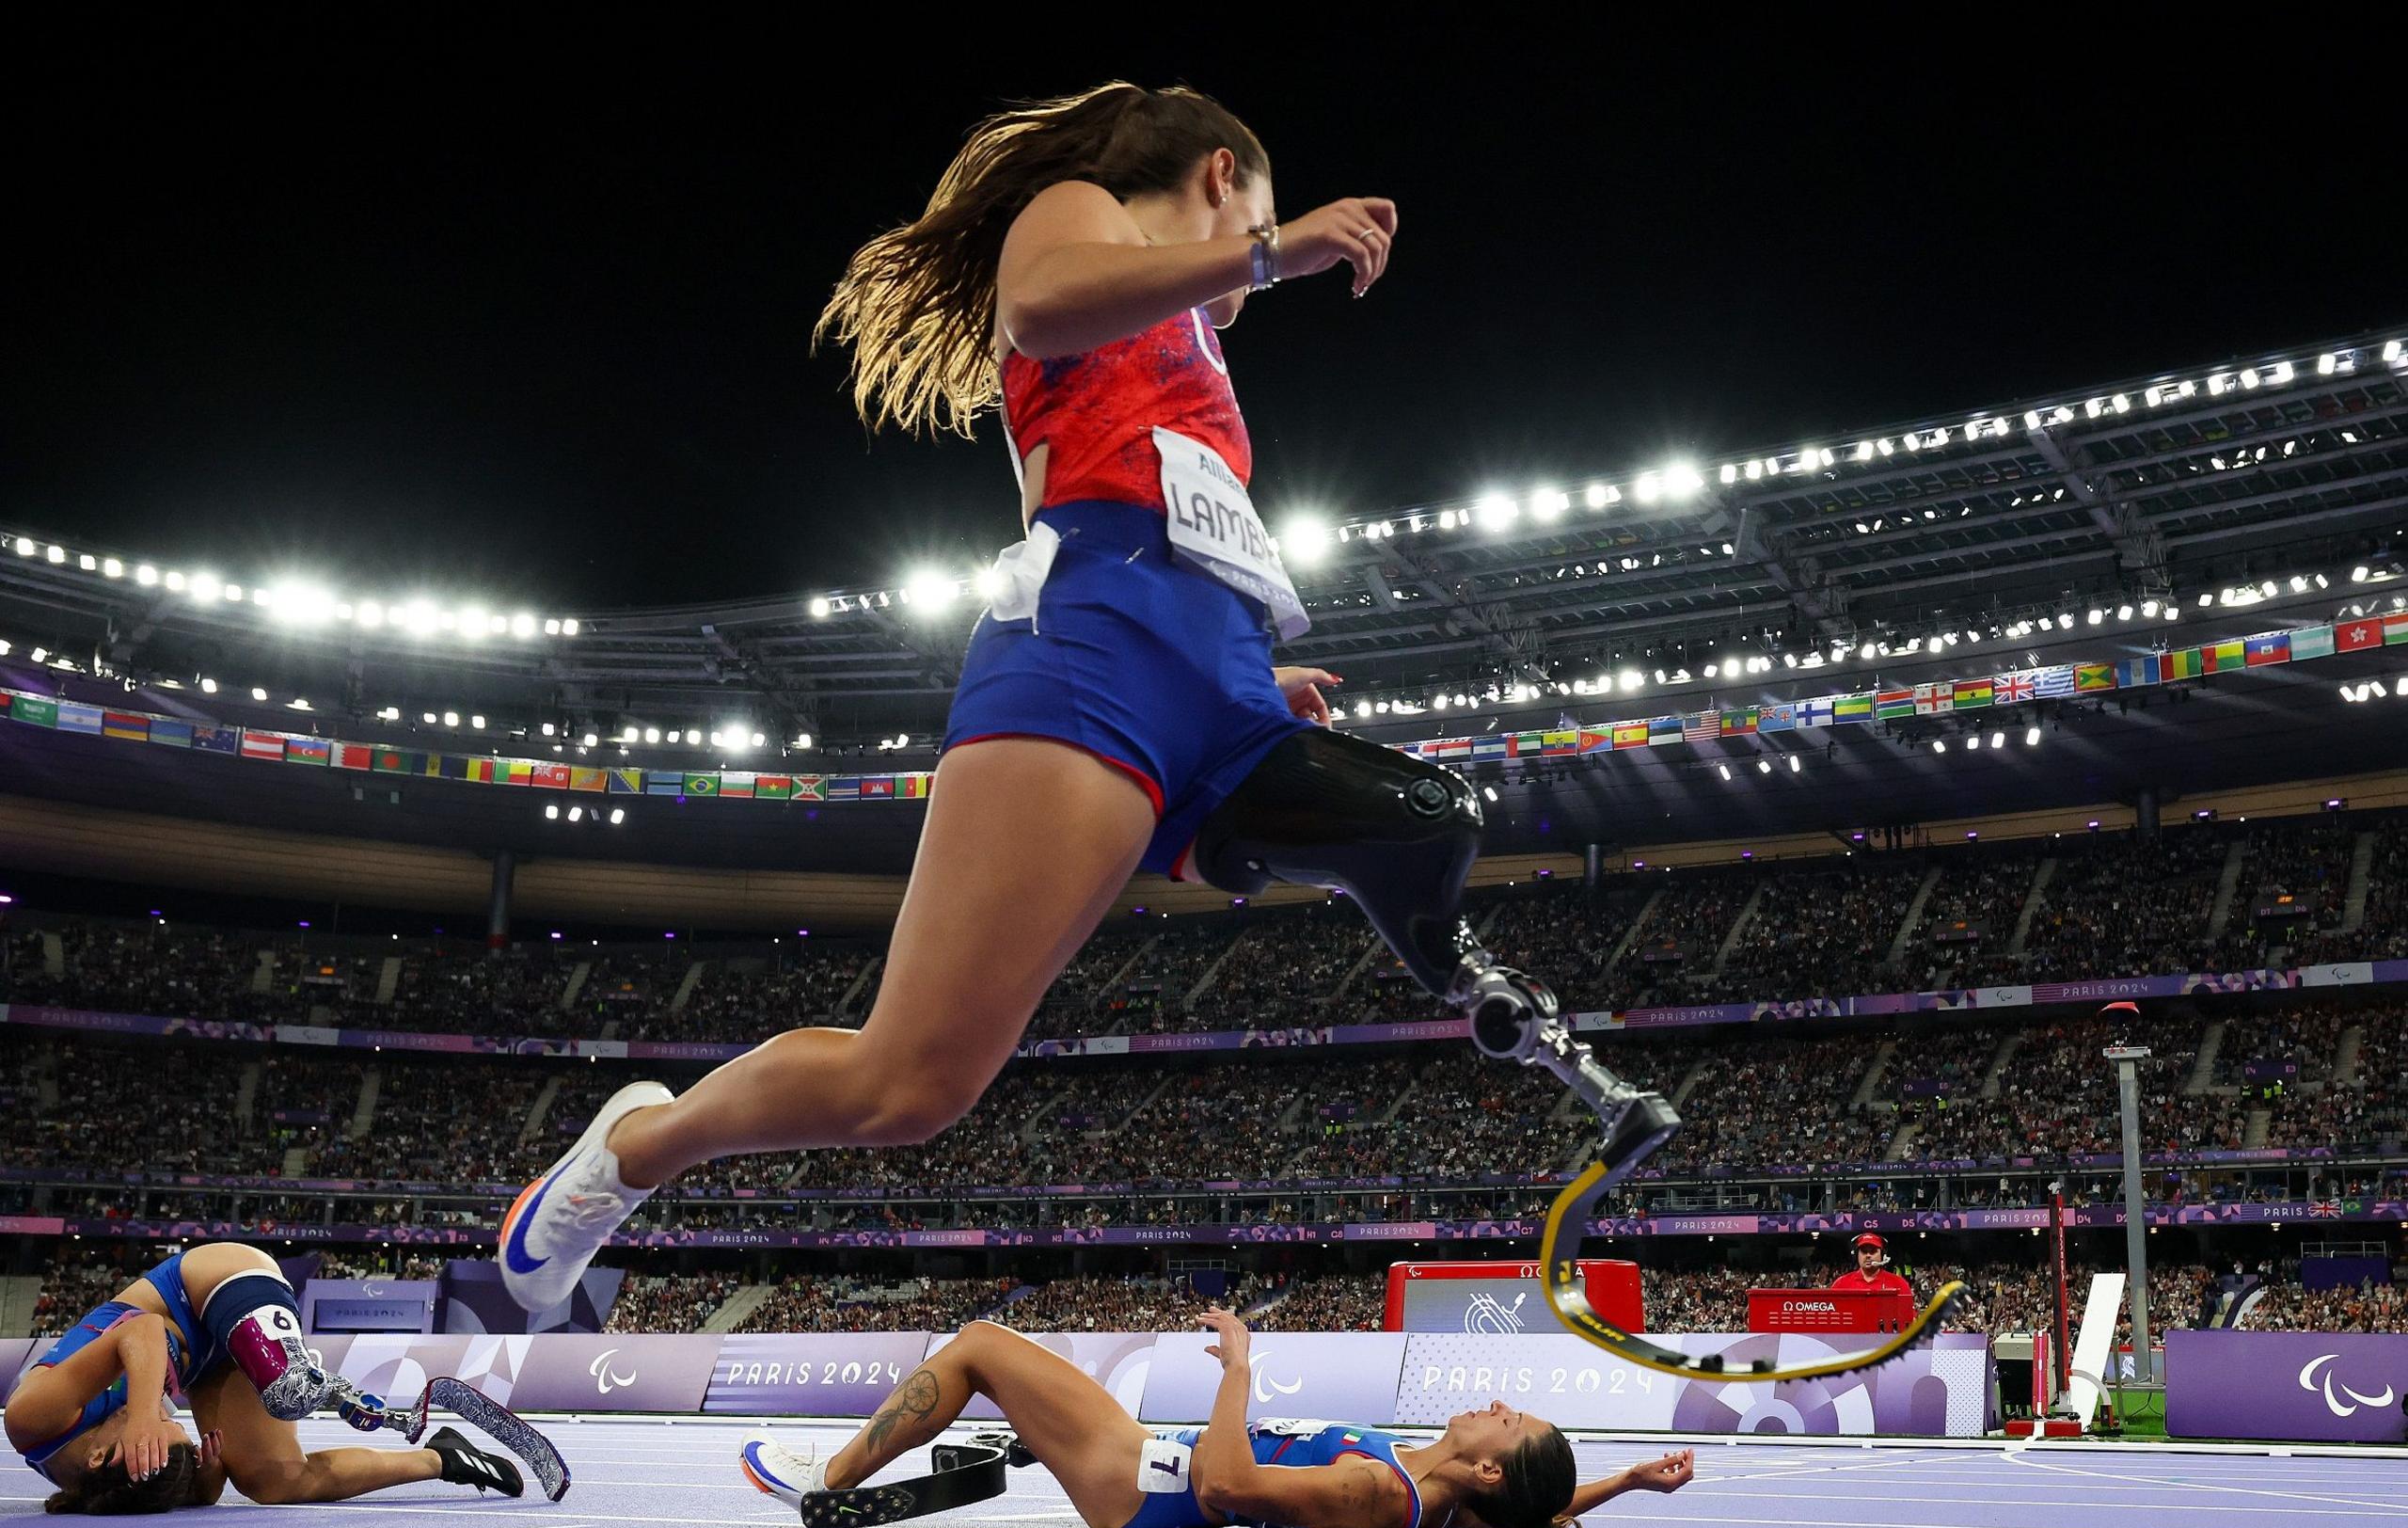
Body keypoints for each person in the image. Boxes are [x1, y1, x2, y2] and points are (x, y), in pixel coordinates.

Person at [499, 80, 1673, 1314]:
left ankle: (1533, 1035)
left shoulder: (1197, 343)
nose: (1247, 274)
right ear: (1222, 176)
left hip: (1212, 680)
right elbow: (1042, 309)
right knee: (912, 1085)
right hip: (1087, 652)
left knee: (1428, 812)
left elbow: (1180, 521)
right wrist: (1279, 250)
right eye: (1253, 214)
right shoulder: (1084, 215)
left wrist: (1237, 661)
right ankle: (631, 1150)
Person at [737, 1309, 1694, 1528]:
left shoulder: (1376, 1492)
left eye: (1508, 1421)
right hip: (1145, 1461)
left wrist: (1239, 1367)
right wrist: (1621, 1484)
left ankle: (831, 1476)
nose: (1494, 1407)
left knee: (980, 1345)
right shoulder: (1442, 1495)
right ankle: (846, 1467)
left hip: (1140, 1487)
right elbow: (1532, 1511)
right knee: (992, 1354)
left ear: (1489, 1470)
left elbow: (1227, 1489)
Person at [4, 1242, 524, 1514]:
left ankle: (315, 1382)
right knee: (275, 1482)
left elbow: (142, 1330)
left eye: (165, 1435)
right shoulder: (126, 1487)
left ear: (98, 1455)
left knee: (285, 1390)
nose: (171, 1420)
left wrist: (143, 1415)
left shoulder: (37, 1420)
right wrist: (204, 1474)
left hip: (202, 1287)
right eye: (180, 1441)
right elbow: (203, 1496)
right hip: (206, 1363)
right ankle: (443, 1457)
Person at [1831, 1232, 1912, 1297]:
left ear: (1882, 1255)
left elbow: (1909, 1316)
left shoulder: (1900, 1284)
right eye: (1864, 1251)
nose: (1868, 1255)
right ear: (1857, 1255)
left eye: (1873, 1251)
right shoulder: (1841, 1284)